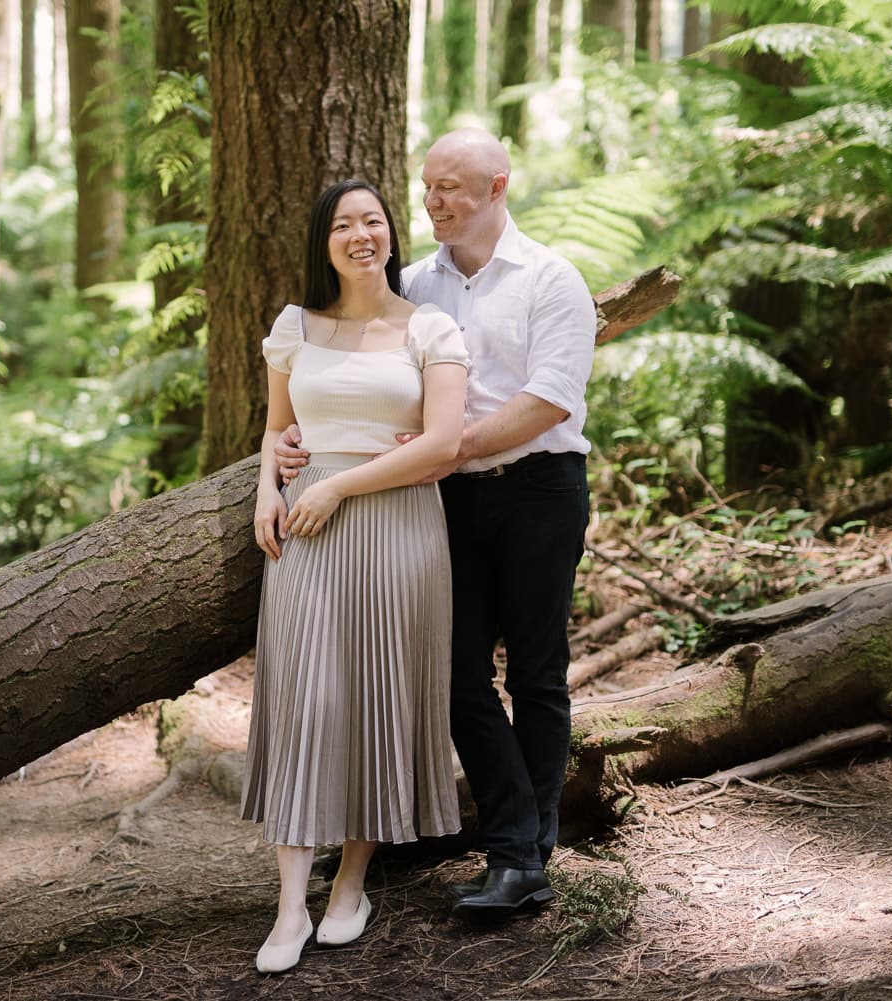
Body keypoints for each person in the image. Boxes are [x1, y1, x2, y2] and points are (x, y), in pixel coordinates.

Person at [277, 129, 596, 913]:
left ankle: (527, 851)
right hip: (444, 500)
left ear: (497, 187)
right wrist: (298, 436)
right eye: (425, 187)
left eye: (449, 186)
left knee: (535, 672)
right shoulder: (415, 284)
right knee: (455, 675)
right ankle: (515, 846)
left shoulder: (552, 279)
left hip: (540, 489)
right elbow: (365, 369)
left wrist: (444, 446)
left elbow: (550, 397)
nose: (432, 201)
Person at [241, 178, 471, 973]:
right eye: (343, 223)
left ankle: (351, 883)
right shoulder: (294, 326)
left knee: (378, 694)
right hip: (305, 532)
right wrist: (268, 491)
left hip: (399, 527)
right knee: (308, 700)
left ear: (392, 234)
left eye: (372, 219)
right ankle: (287, 909)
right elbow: (275, 432)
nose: (360, 233)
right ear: (325, 242)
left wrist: (336, 484)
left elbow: (443, 445)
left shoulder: (430, 327)